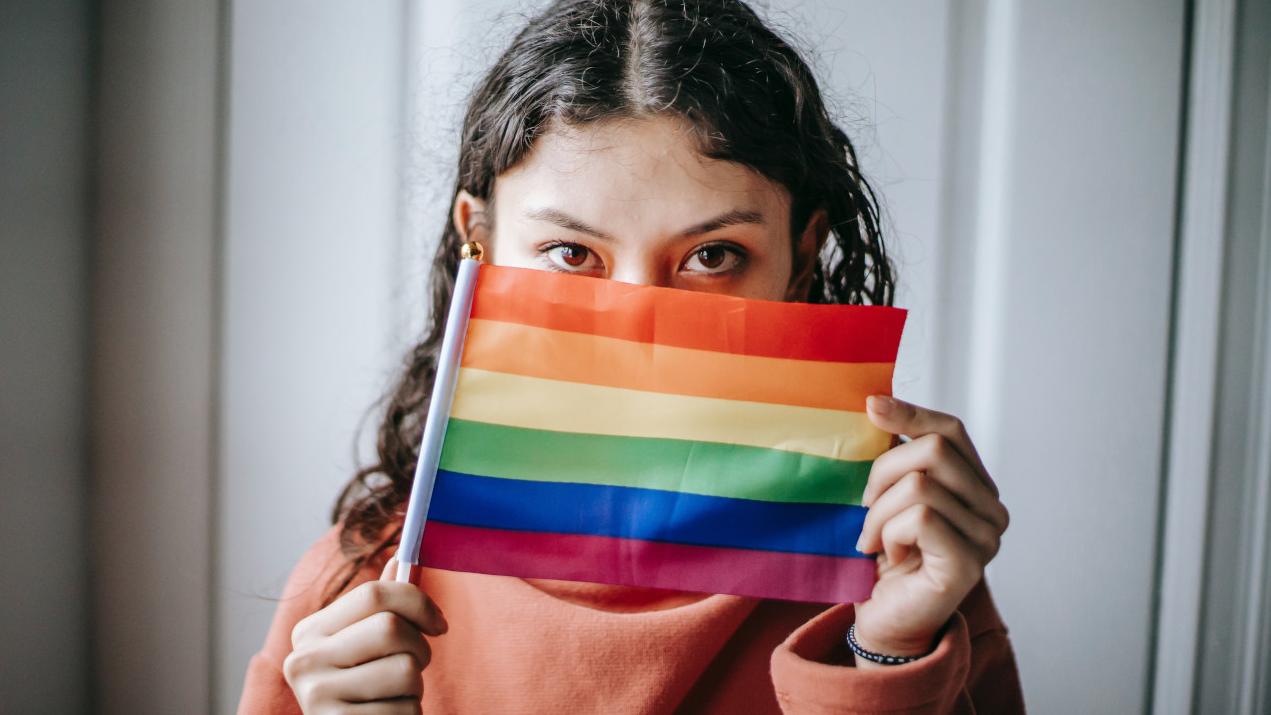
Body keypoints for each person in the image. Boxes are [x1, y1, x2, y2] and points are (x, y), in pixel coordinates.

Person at [237, 1, 1023, 712]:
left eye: (713, 255)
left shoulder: (903, 577)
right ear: (477, 239)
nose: (640, 323)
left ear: (803, 253)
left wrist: (888, 654)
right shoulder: (357, 592)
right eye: (571, 253)